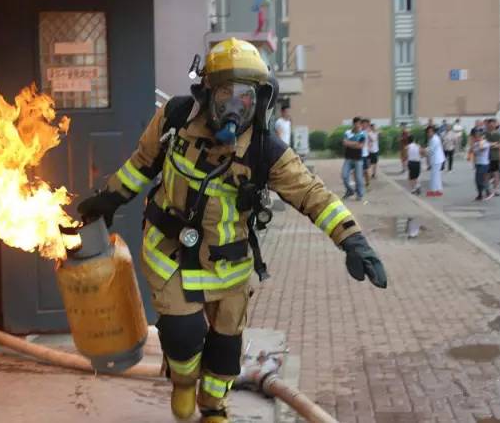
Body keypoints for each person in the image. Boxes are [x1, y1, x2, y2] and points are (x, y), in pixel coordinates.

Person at [76, 38, 387, 423]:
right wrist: (107, 200)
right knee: (183, 336)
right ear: (207, 92)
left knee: (225, 350)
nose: (236, 106)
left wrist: (352, 239)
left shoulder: (264, 150)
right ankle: (185, 382)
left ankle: (214, 407)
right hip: (169, 251)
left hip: (229, 263)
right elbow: (142, 163)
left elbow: (312, 193)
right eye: (227, 93)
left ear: (260, 100)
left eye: (247, 96)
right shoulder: (174, 118)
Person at [342, 117, 366, 200]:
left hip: (358, 159)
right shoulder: (347, 132)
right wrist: (355, 143)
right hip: (348, 158)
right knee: (344, 176)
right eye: (356, 123)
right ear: (354, 124)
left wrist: (350, 143)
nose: (358, 125)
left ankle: (360, 194)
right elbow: (344, 143)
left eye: (359, 124)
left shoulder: (363, 134)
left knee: (359, 178)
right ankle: (350, 190)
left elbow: (360, 146)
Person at [471, 128, 494, 201]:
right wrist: (474, 163)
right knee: (477, 180)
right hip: (478, 163)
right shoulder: (475, 144)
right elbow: (474, 153)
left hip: (484, 164)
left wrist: (481, 141)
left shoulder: (485, 143)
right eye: (475, 136)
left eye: (477, 136)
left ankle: (488, 192)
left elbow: (481, 148)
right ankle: (480, 194)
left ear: (481, 136)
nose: (476, 138)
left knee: (482, 180)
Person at [425, 125, 445, 197]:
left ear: (433, 132)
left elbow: (431, 150)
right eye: (428, 132)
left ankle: (434, 191)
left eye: (430, 132)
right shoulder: (432, 138)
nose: (429, 133)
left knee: (434, 175)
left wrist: (423, 151)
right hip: (436, 159)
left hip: (437, 159)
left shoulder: (435, 139)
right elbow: (429, 148)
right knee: (436, 175)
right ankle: (438, 190)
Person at [485, 119, 500, 196]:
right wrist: (493, 144)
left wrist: (491, 144)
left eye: (493, 125)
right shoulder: (485, 134)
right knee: (487, 173)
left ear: (495, 125)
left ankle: (496, 189)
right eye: (490, 125)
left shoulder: (498, 134)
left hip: (495, 156)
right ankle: (487, 189)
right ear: (488, 125)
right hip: (486, 157)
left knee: (496, 173)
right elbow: (483, 144)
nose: (491, 126)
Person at [361, 118, 371, 188]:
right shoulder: (360, 131)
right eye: (363, 123)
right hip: (358, 154)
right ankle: (360, 183)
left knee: (365, 170)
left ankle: (367, 183)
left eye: (366, 124)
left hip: (364, 154)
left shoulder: (367, 132)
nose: (365, 125)